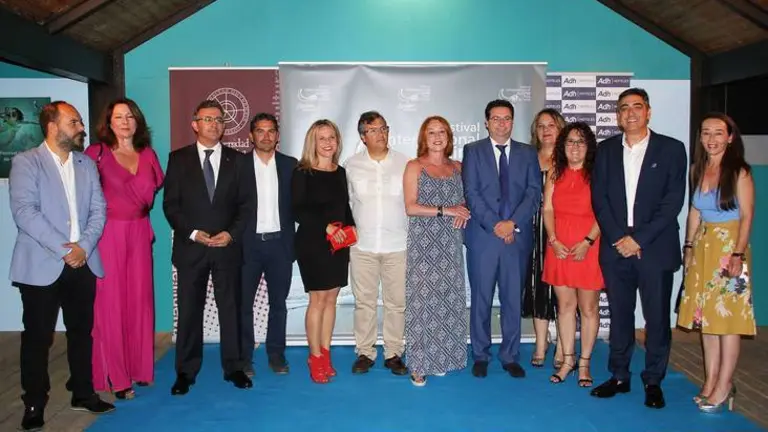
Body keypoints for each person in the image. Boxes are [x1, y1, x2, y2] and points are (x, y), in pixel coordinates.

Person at [9, 101, 114, 432]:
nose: (81, 128)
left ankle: (83, 393)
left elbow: (99, 210)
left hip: (83, 262)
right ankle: (34, 403)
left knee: (81, 333)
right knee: (38, 338)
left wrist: (84, 247)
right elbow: (25, 212)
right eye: (74, 122)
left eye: (80, 122)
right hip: (42, 264)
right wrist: (64, 249)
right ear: (52, 126)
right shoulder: (26, 162)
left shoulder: (86, 164)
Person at [590, 88, 687, 409]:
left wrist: (639, 239)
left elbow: (672, 202)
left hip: (654, 248)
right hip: (616, 248)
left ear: (648, 112)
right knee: (620, 316)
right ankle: (619, 376)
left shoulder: (672, 149)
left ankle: (654, 380)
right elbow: (600, 199)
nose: (630, 113)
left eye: (637, 106)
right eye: (624, 108)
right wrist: (620, 238)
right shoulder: (605, 150)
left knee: (656, 318)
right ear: (617, 116)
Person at [163, 99, 254, 395]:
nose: (214, 124)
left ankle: (235, 367)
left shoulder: (238, 160)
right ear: (195, 124)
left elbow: (246, 205)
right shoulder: (178, 159)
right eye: (208, 119)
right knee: (189, 312)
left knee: (231, 310)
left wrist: (231, 234)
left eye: (219, 119)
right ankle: (185, 372)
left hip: (227, 248)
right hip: (191, 249)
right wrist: (192, 233)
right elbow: (171, 205)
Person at [84, 98, 164, 400]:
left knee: (140, 302)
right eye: (118, 117)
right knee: (111, 305)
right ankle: (116, 377)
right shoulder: (96, 154)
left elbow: (152, 191)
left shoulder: (148, 154)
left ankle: (140, 368)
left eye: (130, 116)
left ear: (138, 120)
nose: (125, 121)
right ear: (108, 122)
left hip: (140, 231)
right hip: (109, 233)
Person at [677, 112, 755, 413]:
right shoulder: (697, 169)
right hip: (703, 247)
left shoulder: (740, 172)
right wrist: (688, 246)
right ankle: (709, 381)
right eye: (706, 133)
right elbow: (695, 211)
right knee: (706, 321)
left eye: (718, 133)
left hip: (729, 248)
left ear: (730, 137)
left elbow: (747, 216)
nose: (711, 139)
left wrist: (737, 254)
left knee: (727, 321)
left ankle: (725, 384)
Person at [462, 99, 542, 379]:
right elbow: (471, 193)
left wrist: (512, 223)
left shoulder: (528, 152)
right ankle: (480, 355)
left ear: (513, 121)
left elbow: (533, 192)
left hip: (516, 238)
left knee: (512, 300)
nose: (501, 123)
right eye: (495, 118)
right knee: (481, 299)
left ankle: (510, 355)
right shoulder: (473, 151)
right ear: (486, 122)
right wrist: (496, 224)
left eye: (506, 118)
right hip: (484, 237)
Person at [403, 116, 469, 386]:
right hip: (423, 244)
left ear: (449, 137)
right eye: (431, 132)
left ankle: (442, 358)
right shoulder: (414, 166)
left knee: (447, 300)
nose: (437, 137)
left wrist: (464, 210)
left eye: (442, 132)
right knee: (421, 302)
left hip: (450, 244)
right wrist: (446, 210)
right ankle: (419, 364)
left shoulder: (458, 167)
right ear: (423, 137)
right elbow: (410, 207)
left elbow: (467, 200)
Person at [292, 119, 356, 384]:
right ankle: (315, 357)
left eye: (332, 137)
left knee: (331, 300)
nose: (328, 143)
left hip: (338, 244)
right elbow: (297, 209)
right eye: (322, 138)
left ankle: (326, 354)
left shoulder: (340, 172)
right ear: (313, 142)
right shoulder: (302, 172)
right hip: (313, 244)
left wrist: (352, 228)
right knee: (317, 300)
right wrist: (326, 227)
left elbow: (344, 206)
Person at [345, 111, 409, 376]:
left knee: (397, 303)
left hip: (398, 244)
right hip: (363, 246)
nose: (380, 134)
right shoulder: (351, 166)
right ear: (363, 136)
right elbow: (347, 203)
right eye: (373, 130)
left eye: (384, 128)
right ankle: (365, 352)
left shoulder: (405, 163)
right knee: (364, 303)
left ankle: (394, 353)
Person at [541, 122, 603, 386]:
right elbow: (547, 209)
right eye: (570, 141)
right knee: (565, 306)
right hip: (559, 247)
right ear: (562, 146)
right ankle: (567, 360)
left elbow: (605, 211)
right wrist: (553, 240)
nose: (575, 147)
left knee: (588, 308)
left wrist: (588, 241)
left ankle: (584, 363)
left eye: (580, 142)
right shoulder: (555, 173)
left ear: (588, 147)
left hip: (589, 246)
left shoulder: (598, 174)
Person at [240, 113, 297, 377]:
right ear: (250, 136)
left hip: (279, 245)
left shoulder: (290, 165)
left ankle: (276, 354)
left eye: (270, 131)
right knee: (243, 304)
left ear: (277, 136)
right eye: (260, 131)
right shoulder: (238, 165)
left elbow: (300, 205)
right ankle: (243, 357)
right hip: (247, 246)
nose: (265, 136)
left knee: (278, 304)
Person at [525, 108, 566, 369]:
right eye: (541, 126)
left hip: (562, 232)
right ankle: (541, 343)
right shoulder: (527, 158)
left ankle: (563, 344)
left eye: (551, 125)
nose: (546, 130)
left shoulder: (571, 158)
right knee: (537, 285)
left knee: (563, 289)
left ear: (560, 128)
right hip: (532, 232)